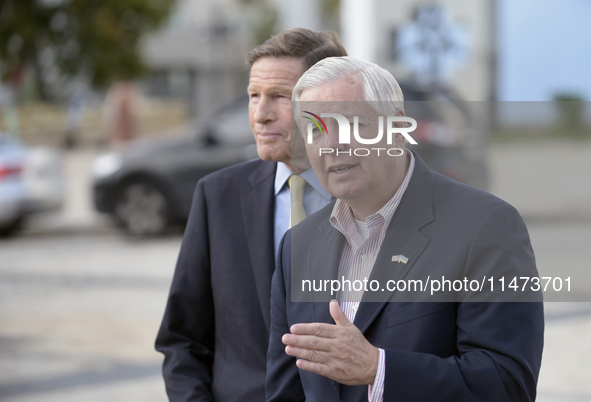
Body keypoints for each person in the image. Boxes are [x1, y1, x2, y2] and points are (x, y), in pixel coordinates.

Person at [266, 57, 544, 401]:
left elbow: (507, 385)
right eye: (315, 129)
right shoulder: (298, 244)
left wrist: (377, 368)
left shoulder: (486, 226)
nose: (331, 144)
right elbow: (285, 392)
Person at [155, 28, 347, 401]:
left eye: (279, 97)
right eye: (253, 96)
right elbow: (182, 341)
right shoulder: (216, 196)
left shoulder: (377, 201)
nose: (260, 115)